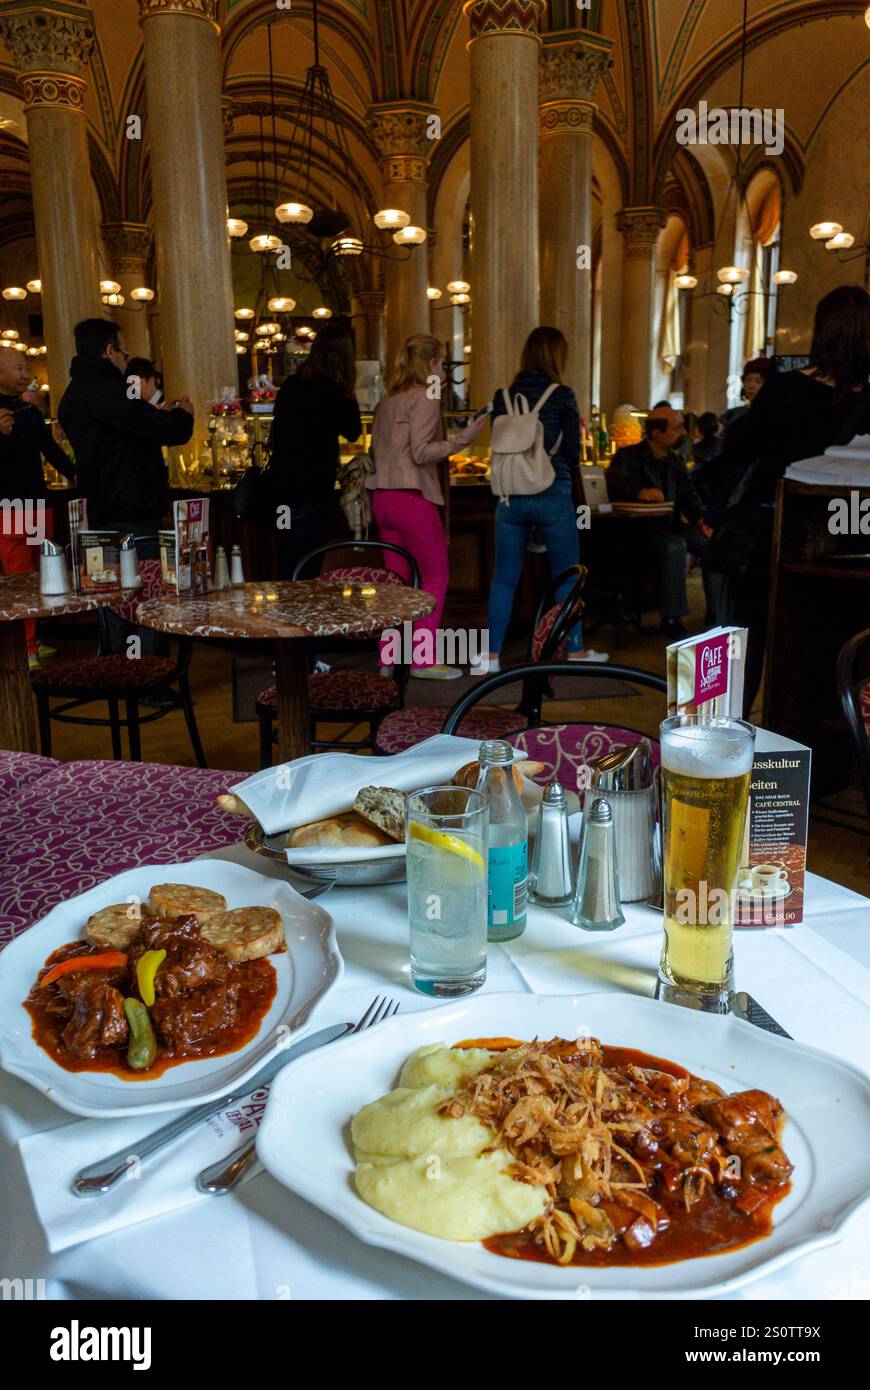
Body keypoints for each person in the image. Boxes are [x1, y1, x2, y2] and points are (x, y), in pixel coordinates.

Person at [709, 285, 870, 716]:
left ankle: (729, 735)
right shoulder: (866, 400)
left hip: (775, 531)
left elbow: (737, 450)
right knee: (832, 640)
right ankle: (821, 744)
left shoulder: (785, 390)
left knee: (746, 638)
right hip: (849, 538)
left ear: (821, 332)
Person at [484, 326, 607, 669]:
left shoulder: (502, 396)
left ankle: (490, 656)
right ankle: (576, 650)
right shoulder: (563, 394)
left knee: (504, 578)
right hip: (552, 491)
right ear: (558, 356)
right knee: (567, 576)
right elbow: (570, 453)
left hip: (509, 496)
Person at [368, 332, 485, 679]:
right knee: (435, 576)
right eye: (443, 364)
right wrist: (463, 439)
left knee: (395, 583)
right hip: (411, 497)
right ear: (431, 363)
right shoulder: (428, 395)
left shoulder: (388, 400)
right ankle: (422, 660)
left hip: (382, 498)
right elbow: (421, 453)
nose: (446, 372)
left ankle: (388, 657)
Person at [57, 319, 194, 557]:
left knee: (107, 587)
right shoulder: (111, 390)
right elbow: (167, 430)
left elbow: (129, 428)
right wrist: (184, 414)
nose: (125, 359)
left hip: (98, 511)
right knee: (145, 587)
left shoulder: (71, 395)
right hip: (130, 515)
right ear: (110, 350)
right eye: (124, 352)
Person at [607, 405, 712, 638]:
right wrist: (639, 491)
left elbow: (689, 496)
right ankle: (671, 618)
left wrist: (702, 520)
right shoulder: (627, 456)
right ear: (656, 434)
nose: (684, 432)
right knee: (675, 546)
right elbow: (615, 485)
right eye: (677, 428)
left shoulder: (675, 460)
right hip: (638, 532)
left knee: (711, 543)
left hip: (671, 526)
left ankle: (716, 613)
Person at [0, 346, 76, 666]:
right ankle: (26, 648)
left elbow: (51, 450)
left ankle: (33, 640)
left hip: (37, 503)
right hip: (10, 506)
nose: (25, 374)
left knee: (39, 575)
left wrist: (76, 473)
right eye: (18, 368)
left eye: (25, 368)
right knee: (19, 576)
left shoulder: (31, 413)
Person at [268, 321, 361, 579]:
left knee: (286, 569)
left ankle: (285, 618)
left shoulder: (291, 385)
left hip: (281, 499)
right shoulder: (333, 391)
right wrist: (349, 391)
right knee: (306, 572)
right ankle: (301, 620)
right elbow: (353, 431)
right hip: (311, 498)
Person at [720, 357, 774, 431]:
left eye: (758, 381)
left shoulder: (777, 416)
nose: (751, 386)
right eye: (747, 380)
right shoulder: (733, 416)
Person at [691, 411, 724, 503]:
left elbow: (698, 468)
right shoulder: (722, 443)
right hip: (719, 487)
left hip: (704, 487)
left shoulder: (698, 446)